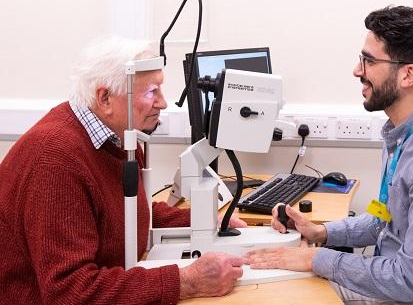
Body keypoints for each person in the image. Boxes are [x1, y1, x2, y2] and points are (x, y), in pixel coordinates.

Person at [244, 6, 413, 305]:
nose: (357, 71)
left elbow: (408, 281)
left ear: (407, 74)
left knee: (284, 294)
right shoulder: (402, 134)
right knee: (276, 282)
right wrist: (321, 232)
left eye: (368, 61)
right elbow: (384, 218)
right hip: (410, 284)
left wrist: (315, 258)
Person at [0, 36, 247, 304]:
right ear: (105, 98)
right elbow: (69, 292)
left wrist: (202, 219)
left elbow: (123, 214)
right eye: (151, 92)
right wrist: (186, 281)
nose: (163, 103)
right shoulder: (55, 160)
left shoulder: (121, 136)